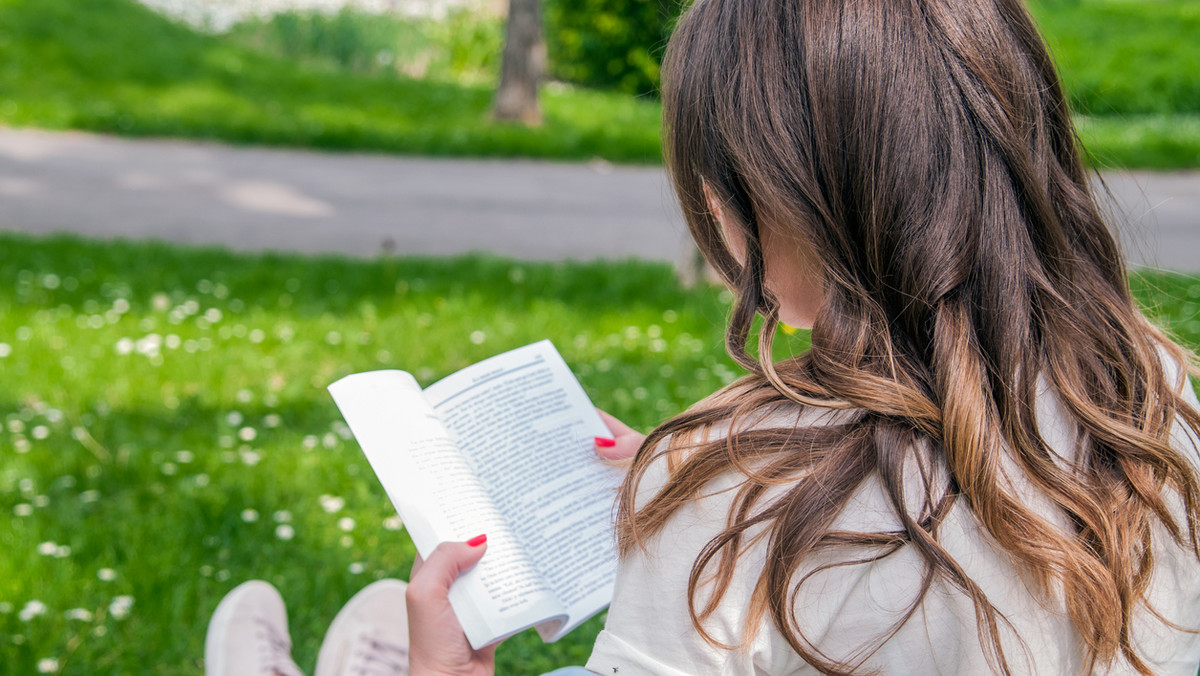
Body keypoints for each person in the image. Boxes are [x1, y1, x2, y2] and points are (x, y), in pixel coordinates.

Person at [207, 0, 1200, 673]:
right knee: (384, 611)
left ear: (765, 202)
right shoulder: (1163, 401)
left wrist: (712, 496)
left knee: (396, 622)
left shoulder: (736, 505)